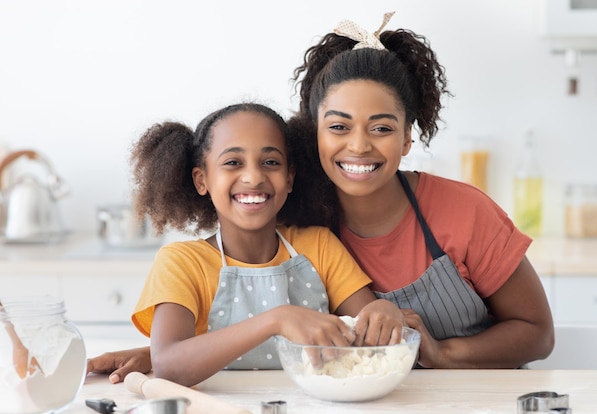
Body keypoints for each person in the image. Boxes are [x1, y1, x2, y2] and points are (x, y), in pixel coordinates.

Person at [87, 12, 554, 380]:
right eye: (338, 127)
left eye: (382, 128)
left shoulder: (461, 212)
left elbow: (538, 334)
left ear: (408, 138)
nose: (359, 146)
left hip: (480, 393)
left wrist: (439, 353)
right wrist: (163, 353)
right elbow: (259, 316)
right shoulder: (298, 219)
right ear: (314, 135)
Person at [105, 102, 404, 387]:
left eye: (270, 162)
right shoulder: (182, 262)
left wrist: (383, 312)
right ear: (202, 180)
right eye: (233, 162)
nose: (253, 176)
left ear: (289, 178)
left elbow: (366, 331)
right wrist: (277, 319)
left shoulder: (319, 246)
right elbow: (169, 364)